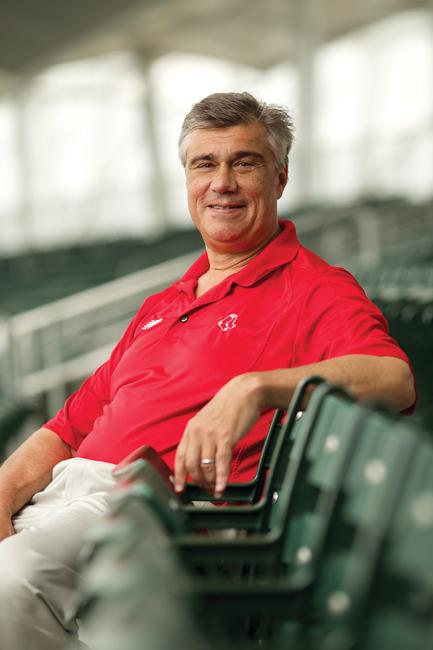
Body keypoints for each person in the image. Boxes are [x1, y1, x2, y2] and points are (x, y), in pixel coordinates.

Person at [0, 92, 415, 649]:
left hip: (158, 510)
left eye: (244, 162)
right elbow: (70, 426)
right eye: (205, 164)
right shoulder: (163, 302)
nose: (222, 182)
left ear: (280, 177)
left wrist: (256, 386)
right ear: (188, 181)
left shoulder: (315, 286)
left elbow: (394, 378)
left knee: (11, 580)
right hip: (70, 497)